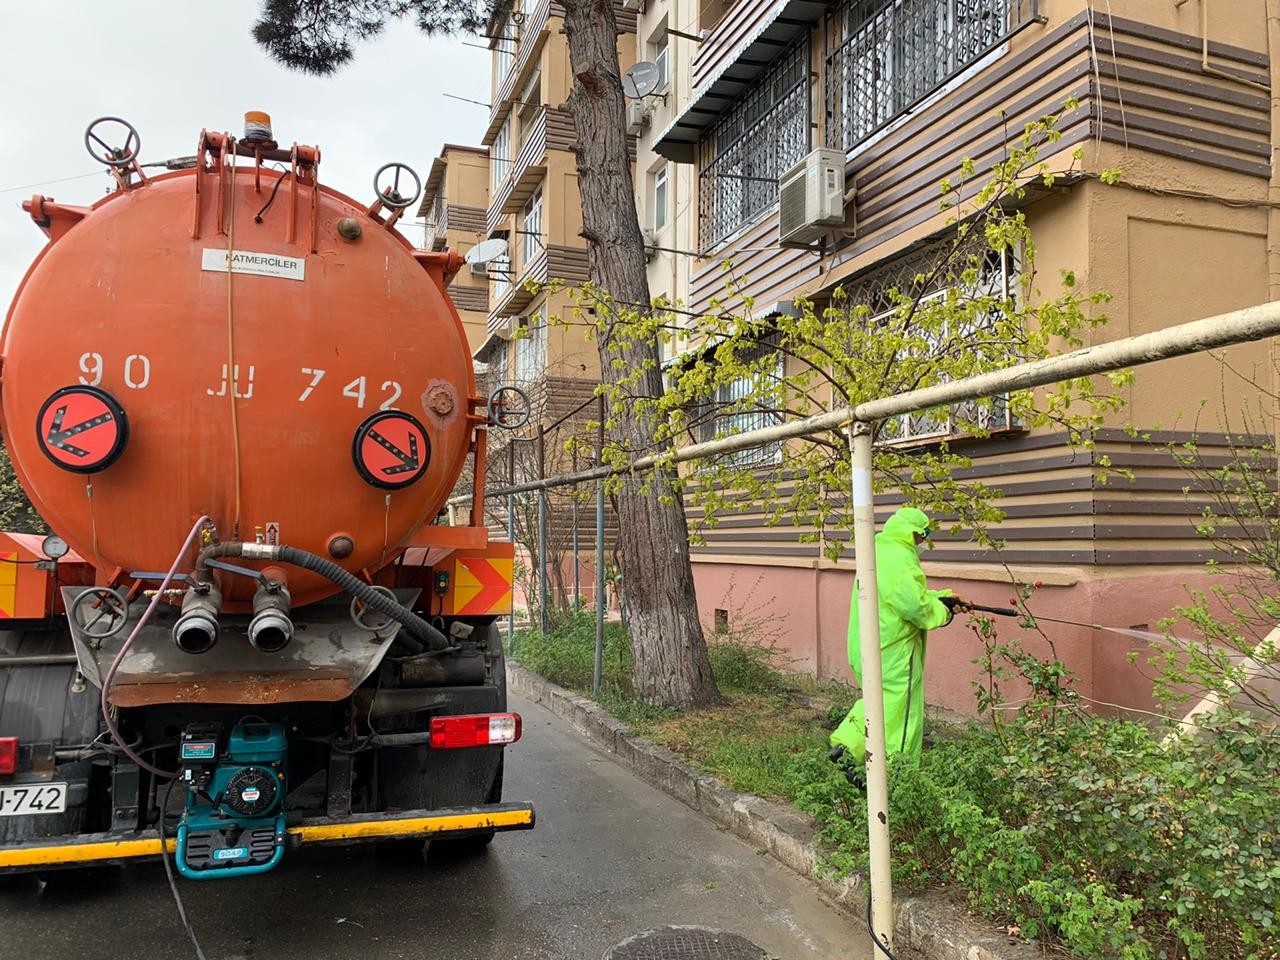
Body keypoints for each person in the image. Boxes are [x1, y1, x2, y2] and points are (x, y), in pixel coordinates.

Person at [829, 507, 966, 774]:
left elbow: (899, 595)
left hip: (867, 646)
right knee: (902, 715)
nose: (921, 545)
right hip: (894, 651)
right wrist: (944, 612)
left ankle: (847, 745)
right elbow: (913, 606)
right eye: (921, 538)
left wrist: (943, 597)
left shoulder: (878, 550)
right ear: (915, 533)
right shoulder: (902, 557)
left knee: (877, 702)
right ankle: (894, 776)